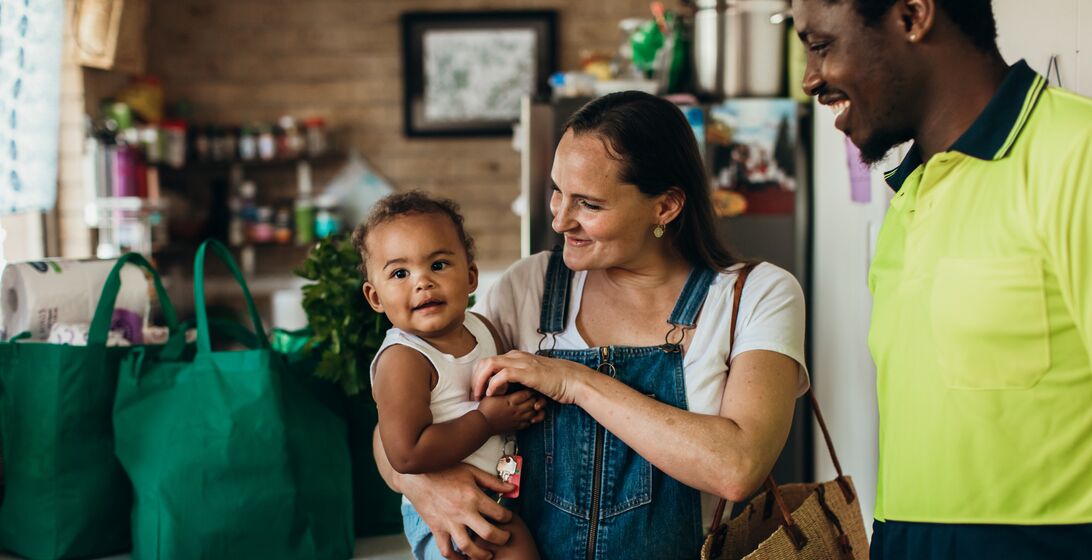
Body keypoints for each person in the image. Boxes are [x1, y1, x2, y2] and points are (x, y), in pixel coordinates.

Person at [374, 91, 810, 560]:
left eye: (590, 205)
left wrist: (573, 381)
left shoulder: (755, 295)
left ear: (665, 207)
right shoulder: (530, 284)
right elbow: (399, 431)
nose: (561, 221)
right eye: (557, 191)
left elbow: (738, 467)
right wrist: (424, 486)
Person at [792, 0, 1092, 557]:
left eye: (821, 45)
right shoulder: (911, 192)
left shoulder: (1077, 154)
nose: (810, 79)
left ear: (912, 16)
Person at [355, 192, 540, 560]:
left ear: (471, 276)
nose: (422, 282)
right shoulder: (404, 359)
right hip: (448, 514)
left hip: (500, 492)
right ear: (375, 298)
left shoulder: (483, 328)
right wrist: (487, 420)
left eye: (438, 265)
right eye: (400, 273)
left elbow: (503, 388)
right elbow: (407, 454)